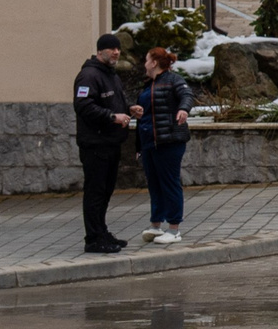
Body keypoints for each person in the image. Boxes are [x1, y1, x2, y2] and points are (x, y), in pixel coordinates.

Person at [72, 33, 136, 254]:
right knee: (95, 192)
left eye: (117, 49)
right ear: (100, 51)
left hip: (111, 142)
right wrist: (111, 117)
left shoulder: (111, 75)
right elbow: (83, 106)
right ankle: (93, 239)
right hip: (95, 145)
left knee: (106, 191)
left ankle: (101, 231)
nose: (116, 52)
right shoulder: (89, 76)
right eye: (111, 49)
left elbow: (115, 102)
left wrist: (129, 110)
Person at [134, 46, 193, 245]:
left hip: (169, 142)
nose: (144, 64)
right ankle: (156, 225)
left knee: (169, 183)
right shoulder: (148, 85)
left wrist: (184, 109)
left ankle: (174, 228)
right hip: (150, 143)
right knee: (154, 184)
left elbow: (187, 95)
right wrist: (139, 147)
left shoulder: (173, 80)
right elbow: (144, 118)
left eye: (146, 59)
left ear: (154, 63)